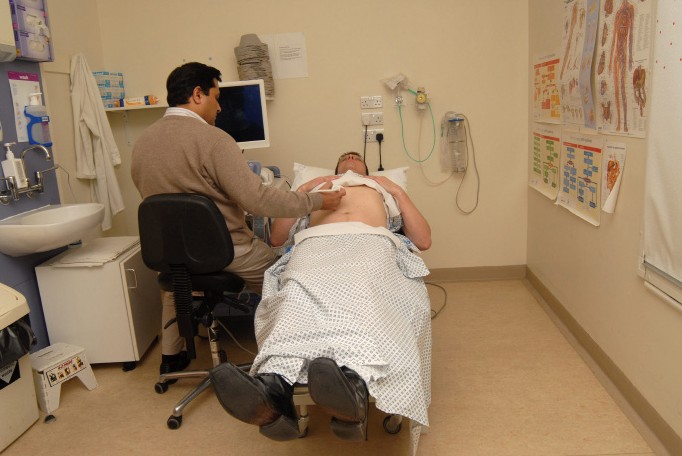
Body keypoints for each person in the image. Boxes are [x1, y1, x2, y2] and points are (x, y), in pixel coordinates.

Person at [131, 62, 345, 377]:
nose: (220, 107)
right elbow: (258, 200)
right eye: (217, 97)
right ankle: (289, 363)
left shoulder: (142, 142)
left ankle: (171, 358)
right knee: (284, 276)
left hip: (171, 252)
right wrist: (316, 201)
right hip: (226, 250)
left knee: (178, 284)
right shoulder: (214, 140)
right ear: (197, 94)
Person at [210, 152, 432, 442]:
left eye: (356, 157)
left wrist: (395, 189)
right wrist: (302, 190)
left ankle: (351, 383)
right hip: (315, 247)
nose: (351, 158)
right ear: (335, 167)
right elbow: (277, 239)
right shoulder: (316, 190)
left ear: (366, 168)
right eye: (345, 157)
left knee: (363, 290)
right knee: (295, 295)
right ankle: (273, 389)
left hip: (371, 245)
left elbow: (423, 240)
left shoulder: (380, 188)